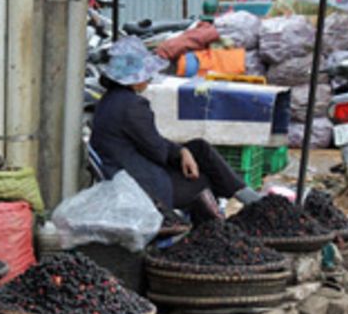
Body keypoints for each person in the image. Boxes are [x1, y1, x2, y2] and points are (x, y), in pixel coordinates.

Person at [89, 37, 261, 223]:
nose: (149, 78)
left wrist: (182, 151)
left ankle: (246, 196)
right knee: (203, 181)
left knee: (199, 148)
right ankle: (224, 223)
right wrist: (179, 153)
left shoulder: (109, 100)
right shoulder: (132, 106)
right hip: (141, 183)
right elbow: (157, 151)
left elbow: (153, 143)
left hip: (128, 170)